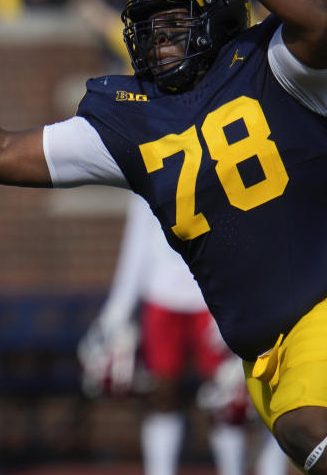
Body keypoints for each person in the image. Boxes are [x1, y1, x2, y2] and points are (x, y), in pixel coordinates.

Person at [0, 0, 327, 472]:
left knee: (310, 428)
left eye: (176, 25)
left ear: (221, 19)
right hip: (262, 344)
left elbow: (319, 22)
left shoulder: (275, 67)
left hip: (320, 304)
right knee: (297, 438)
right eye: (148, 31)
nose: (159, 44)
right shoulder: (130, 119)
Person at [79, 193, 288, 475]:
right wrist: (117, 312)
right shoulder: (148, 159)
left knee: (228, 399)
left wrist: (237, 296)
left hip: (212, 296)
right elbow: (137, 241)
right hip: (161, 295)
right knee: (161, 393)